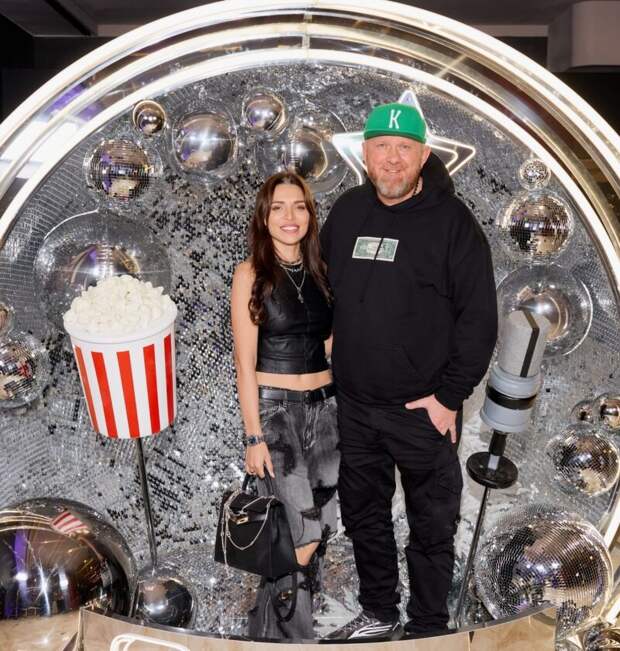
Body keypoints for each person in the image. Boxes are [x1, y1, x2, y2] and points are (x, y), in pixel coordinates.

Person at [321, 103, 497, 640]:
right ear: (365, 154)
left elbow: (479, 321)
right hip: (356, 407)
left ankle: (426, 626)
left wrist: (449, 398)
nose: (392, 158)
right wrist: (330, 334)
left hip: (423, 409)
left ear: (423, 156)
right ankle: (378, 612)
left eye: (404, 148)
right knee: (364, 516)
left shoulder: (454, 224)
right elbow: (328, 286)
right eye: (381, 146)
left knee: (432, 526)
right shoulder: (347, 211)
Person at [230, 171, 339, 639]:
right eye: (278, 207)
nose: (290, 216)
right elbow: (244, 363)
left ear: (310, 216)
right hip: (277, 416)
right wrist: (254, 436)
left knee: (321, 526)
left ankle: (265, 634)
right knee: (300, 533)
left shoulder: (321, 272)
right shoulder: (250, 274)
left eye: (299, 206)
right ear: (264, 217)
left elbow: (331, 346)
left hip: (327, 413)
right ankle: (295, 640)